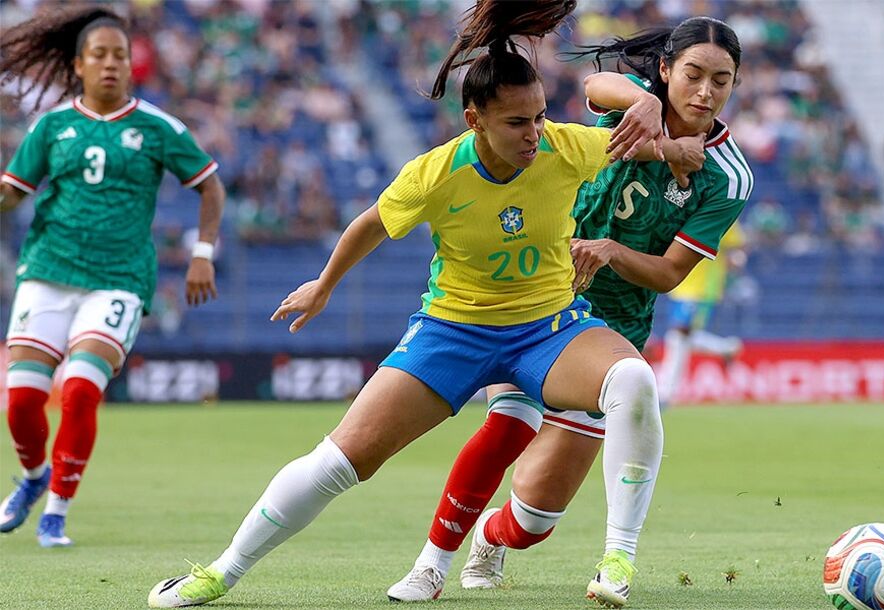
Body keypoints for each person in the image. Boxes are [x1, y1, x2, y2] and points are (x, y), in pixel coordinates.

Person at [146, 0, 677, 606]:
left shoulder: (564, 147)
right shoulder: (436, 173)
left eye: (538, 116)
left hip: (547, 328)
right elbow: (369, 225)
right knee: (339, 462)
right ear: (474, 119)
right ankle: (219, 573)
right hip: (453, 331)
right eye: (515, 123)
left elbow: (637, 139)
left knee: (632, 378)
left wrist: (661, 123)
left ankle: (617, 561)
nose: (533, 133)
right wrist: (324, 284)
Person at [386, 17, 750, 608]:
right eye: (693, 74)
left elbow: (668, 274)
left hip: (612, 329)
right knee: (505, 429)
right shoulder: (631, 108)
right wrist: (646, 107)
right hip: (537, 300)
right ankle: (431, 565)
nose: (705, 91)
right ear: (665, 71)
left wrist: (609, 251)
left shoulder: (729, 176)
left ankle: (492, 536)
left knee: (533, 520)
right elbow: (593, 86)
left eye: (721, 80)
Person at [0, 6, 224, 548]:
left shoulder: (157, 128)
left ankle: (57, 511)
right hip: (48, 270)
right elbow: (12, 194)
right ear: (78, 65)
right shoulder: (52, 127)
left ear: (131, 65)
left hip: (118, 278)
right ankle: (34, 480)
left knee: (78, 391)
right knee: (23, 401)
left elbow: (210, 186)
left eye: (119, 56)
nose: (110, 64)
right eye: (98, 55)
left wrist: (202, 254)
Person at [658, 221, 747, 407]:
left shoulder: (721, 207)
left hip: (702, 288)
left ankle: (666, 394)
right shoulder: (687, 204)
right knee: (679, 337)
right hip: (680, 285)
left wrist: (732, 262)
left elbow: (739, 245)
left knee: (679, 333)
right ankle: (726, 348)